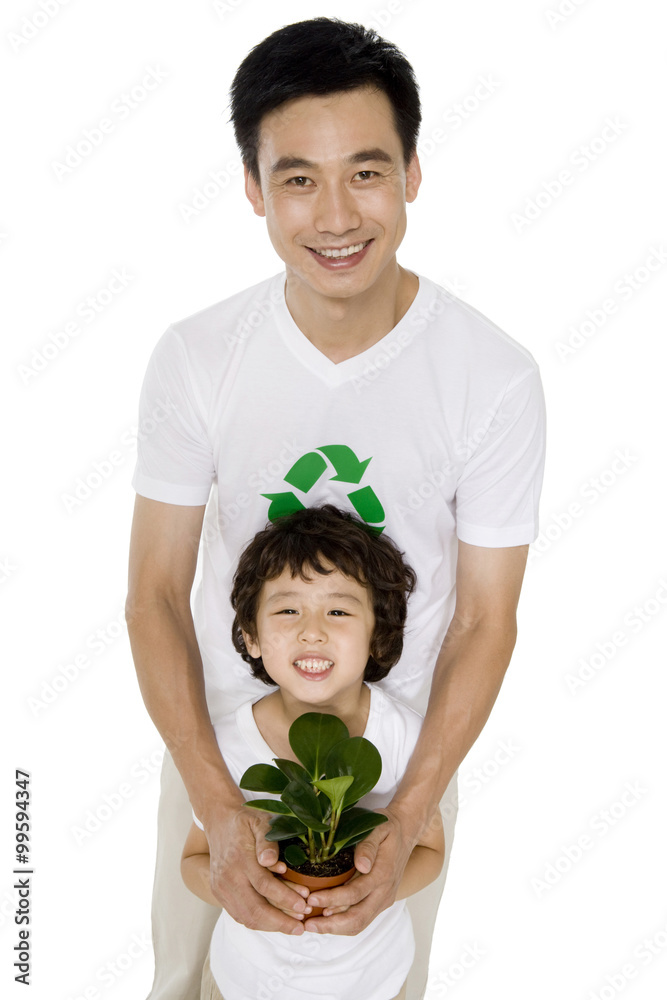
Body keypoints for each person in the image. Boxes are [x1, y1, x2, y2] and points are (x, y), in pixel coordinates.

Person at [126, 16, 546, 1000]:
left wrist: (409, 816)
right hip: (214, 746)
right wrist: (216, 804)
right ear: (251, 188)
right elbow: (151, 591)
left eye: (365, 172)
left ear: (410, 173)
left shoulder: (491, 376)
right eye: (297, 179)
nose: (334, 214)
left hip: (396, 768)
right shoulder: (198, 356)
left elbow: (487, 617)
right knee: (188, 982)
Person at [181, 504, 444, 1000]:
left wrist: (365, 894)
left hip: (376, 985)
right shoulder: (222, 744)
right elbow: (194, 859)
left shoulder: (408, 737)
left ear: (378, 635)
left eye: (339, 610)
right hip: (244, 985)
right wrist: (244, 889)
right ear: (251, 637)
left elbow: (428, 849)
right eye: (287, 609)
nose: (312, 630)